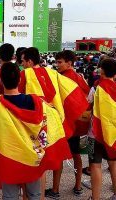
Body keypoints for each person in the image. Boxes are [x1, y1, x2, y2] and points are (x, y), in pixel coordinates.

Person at [0, 62, 71, 200]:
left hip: (8, 157)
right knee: (34, 194)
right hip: (33, 157)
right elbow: (55, 117)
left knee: (9, 196)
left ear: (1, 81)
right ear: (20, 80)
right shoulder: (36, 102)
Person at [18, 47, 89, 199]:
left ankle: (31, 195)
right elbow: (71, 93)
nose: (22, 63)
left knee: (34, 161)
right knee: (46, 163)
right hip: (55, 123)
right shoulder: (53, 73)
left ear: (30, 61)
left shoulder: (25, 74)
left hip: (34, 124)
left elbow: (16, 96)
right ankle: (43, 195)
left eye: (23, 61)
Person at [45, 50, 90, 198]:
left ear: (69, 63)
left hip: (64, 124)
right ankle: (78, 186)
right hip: (77, 125)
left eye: (60, 62)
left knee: (59, 156)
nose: (57, 65)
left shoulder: (61, 79)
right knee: (76, 156)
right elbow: (86, 98)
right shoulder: (80, 77)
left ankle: (56, 189)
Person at [89, 58, 116, 200]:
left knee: (95, 165)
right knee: (114, 163)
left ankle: (96, 198)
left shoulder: (96, 88)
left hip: (95, 133)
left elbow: (88, 107)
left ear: (102, 70)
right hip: (112, 134)